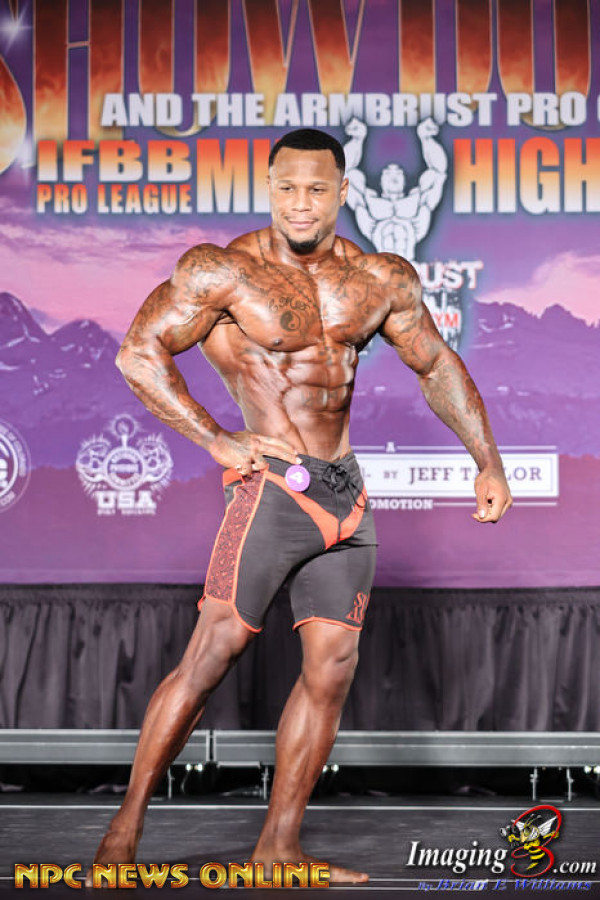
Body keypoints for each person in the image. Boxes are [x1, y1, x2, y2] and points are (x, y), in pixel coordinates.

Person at [88, 128, 511, 885]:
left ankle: (277, 848)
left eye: (317, 189)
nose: (301, 203)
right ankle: (121, 836)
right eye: (287, 188)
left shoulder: (379, 278)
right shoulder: (222, 271)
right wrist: (215, 438)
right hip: (273, 490)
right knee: (211, 655)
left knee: (332, 668)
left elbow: (436, 364)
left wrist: (488, 460)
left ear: (343, 191)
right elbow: (138, 352)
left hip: (346, 495)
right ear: (268, 186)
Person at [343, 116, 448, 260]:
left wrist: (426, 138)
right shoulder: (367, 200)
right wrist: (357, 139)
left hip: (410, 263)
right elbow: (346, 173)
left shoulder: (418, 199)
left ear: (404, 180)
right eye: (387, 173)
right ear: (381, 181)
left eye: (398, 173)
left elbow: (438, 173)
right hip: (382, 266)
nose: (393, 176)